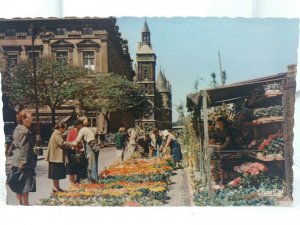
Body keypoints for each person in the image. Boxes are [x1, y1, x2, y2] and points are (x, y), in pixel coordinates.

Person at [7, 111, 37, 205]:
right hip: (24, 163)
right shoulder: (25, 131)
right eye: (29, 118)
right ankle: (26, 205)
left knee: (18, 184)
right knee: (25, 185)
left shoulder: (17, 129)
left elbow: (13, 144)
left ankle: (20, 204)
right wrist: (23, 163)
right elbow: (25, 149)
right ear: (23, 119)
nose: (31, 120)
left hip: (16, 160)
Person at [46, 122, 69, 192]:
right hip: (55, 158)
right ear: (60, 128)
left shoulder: (56, 133)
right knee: (55, 174)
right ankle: (56, 188)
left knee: (56, 174)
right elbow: (61, 143)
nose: (65, 131)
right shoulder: (57, 133)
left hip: (55, 157)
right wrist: (71, 144)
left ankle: (57, 187)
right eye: (64, 129)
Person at [73, 117, 98, 182]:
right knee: (93, 165)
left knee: (91, 166)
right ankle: (93, 180)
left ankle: (93, 181)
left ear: (79, 125)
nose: (76, 128)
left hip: (91, 148)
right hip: (92, 147)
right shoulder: (87, 129)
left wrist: (71, 144)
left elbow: (77, 140)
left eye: (76, 127)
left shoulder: (82, 129)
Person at [66, 119, 83, 184]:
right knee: (72, 168)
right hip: (73, 153)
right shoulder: (72, 132)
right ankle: (72, 182)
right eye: (81, 125)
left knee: (77, 167)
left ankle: (76, 181)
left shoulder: (78, 131)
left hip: (78, 152)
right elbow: (69, 142)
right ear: (78, 125)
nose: (81, 126)